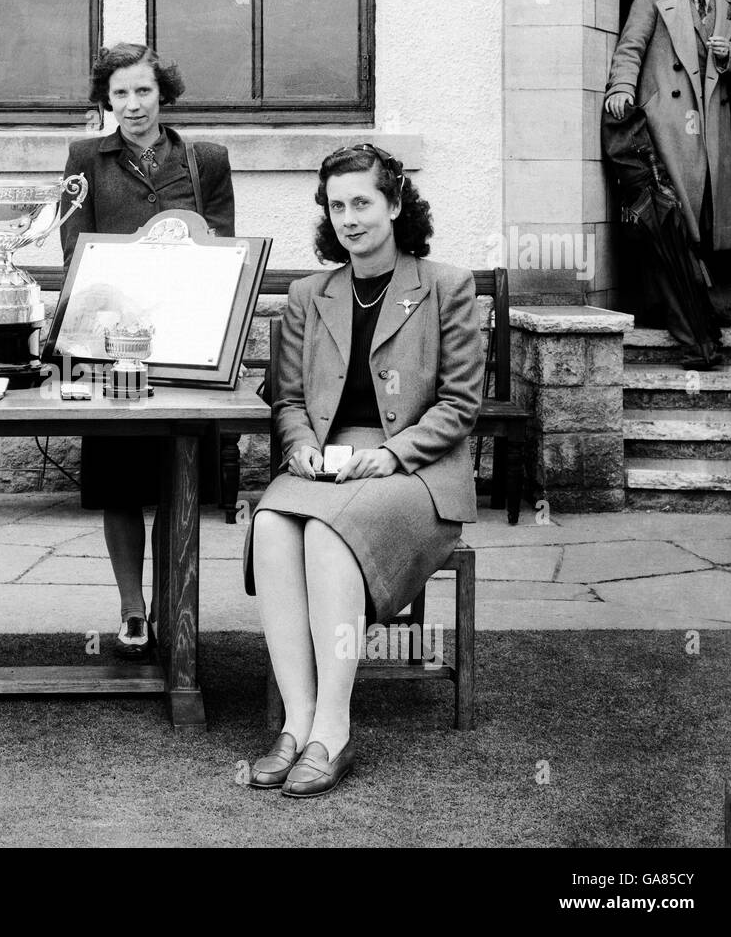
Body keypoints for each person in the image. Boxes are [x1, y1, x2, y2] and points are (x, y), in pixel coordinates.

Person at [244, 145, 481, 797]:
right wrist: (298, 450)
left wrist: (393, 454)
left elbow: (460, 405)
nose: (348, 218)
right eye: (336, 204)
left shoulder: (447, 287)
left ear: (396, 205)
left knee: (325, 532)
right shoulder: (307, 295)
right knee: (269, 522)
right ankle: (294, 724)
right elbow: (287, 398)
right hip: (325, 459)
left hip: (417, 468)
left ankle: (333, 730)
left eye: (362, 203)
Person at [60, 43, 234, 659]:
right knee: (120, 484)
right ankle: (133, 610)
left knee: (176, 477)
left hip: (187, 346)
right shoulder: (85, 158)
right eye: (120, 94)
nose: (133, 105)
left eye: (144, 91)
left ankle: (172, 605)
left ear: (164, 94)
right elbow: (74, 254)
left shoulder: (205, 159)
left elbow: (224, 253)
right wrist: (113, 307)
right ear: (106, 101)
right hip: (114, 351)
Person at [605, 0, 731, 258]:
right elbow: (630, 46)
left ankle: (700, 277)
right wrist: (622, 87)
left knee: (706, 201)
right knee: (671, 202)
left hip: (709, 118)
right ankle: (682, 280)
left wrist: (730, 54)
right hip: (667, 116)